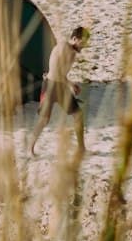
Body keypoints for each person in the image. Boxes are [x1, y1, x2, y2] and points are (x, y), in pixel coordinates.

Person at [30, 26, 89, 155]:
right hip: (50, 87)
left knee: (78, 115)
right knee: (44, 120)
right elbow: (56, 71)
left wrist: (70, 84)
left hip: (61, 86)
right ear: (74, 38)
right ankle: (31, 147)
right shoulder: (63, 47)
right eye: (82, 42)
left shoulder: (72, 52)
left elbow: (61, 72)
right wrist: (70, 84)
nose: (83, 46)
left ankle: (81, 148)